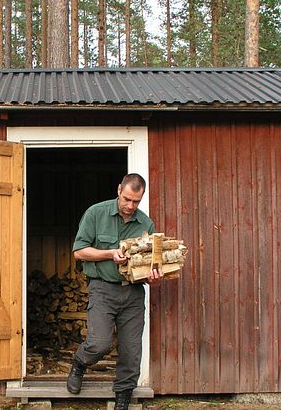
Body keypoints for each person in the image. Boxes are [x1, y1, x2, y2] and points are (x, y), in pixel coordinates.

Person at [67, 173, 162, 410]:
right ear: (119, 189)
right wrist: (110, 253)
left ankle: (123, 398)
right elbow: (79, 251)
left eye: (136, 201)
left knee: (131, 352)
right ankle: (79, 363)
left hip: (133, 293)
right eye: (127, 199)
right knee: (99, 343)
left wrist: (153, 276)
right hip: (102, 289)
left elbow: (150, 266)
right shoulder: (95, 213)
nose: (131, 206)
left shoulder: (146, 224)